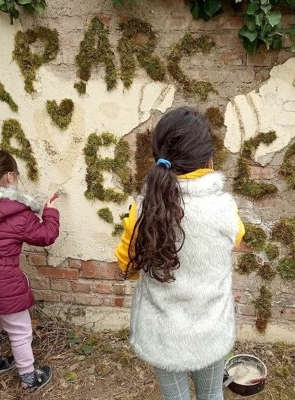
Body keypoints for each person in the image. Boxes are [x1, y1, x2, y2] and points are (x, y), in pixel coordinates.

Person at [115, 107, 245, 400]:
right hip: (210, 328)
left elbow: (126, 266)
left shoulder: (142, 210)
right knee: (211, 395)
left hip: (162, 333)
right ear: (209, 159)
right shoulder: (224, 209)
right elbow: (237, 239)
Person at [0, 149, 60, 392]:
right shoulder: (16, 210)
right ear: (10, 176)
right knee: (20, 331)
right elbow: (46, 236)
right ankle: (29, 377)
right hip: (5, 282)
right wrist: (50, 212)